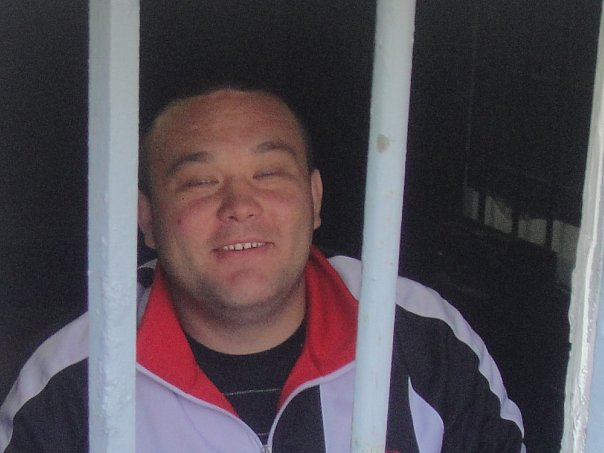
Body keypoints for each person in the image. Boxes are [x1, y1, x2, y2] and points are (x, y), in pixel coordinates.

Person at [0, 86, 525, 452]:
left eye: (269, 173)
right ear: (148, 220)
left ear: (314, 199)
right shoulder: (74, 380)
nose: (240, 206)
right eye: (199, 182)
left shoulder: (419, 336)